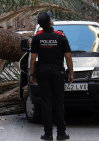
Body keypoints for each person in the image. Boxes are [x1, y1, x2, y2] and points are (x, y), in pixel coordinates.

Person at [30, 12, 73, 140]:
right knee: (59, 102)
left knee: (46, 103)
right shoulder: (60, 36)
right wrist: (71, 72)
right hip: (57, 72)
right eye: (50, 18)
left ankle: (48, 134)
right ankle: (61, 133)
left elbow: (33, 59)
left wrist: (32, 74)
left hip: (42, 73)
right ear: (50, 22)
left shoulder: (37, 37)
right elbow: (68, 57)